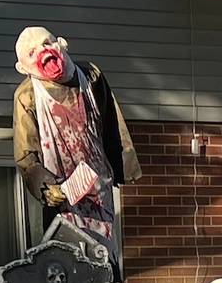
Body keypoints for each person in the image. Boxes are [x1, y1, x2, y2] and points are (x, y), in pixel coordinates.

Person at [12, 25, 138, 259]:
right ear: (23, 67)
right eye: (32, 52)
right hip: (62, 198)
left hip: (98, 189)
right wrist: (45, 187)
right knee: (69, 260)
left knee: (104, 257)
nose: (43, 50)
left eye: (47, 43)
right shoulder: (27, 95)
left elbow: (111, 122)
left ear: (61, 43)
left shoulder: (90, 76)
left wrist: (123, 164)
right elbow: (26, 153)